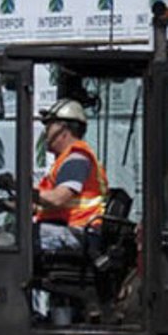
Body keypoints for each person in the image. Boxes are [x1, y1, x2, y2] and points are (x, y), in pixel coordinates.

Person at [34, 99, 108, 252]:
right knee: (9, 234)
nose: (45, 132)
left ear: (63, 129)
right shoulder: (63, 162)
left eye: (49, 125)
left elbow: (57, 199)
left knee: (21, 238)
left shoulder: (77, 159)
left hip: (79, 232)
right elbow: (39, 204)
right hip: (66, 228)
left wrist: (23, 189)